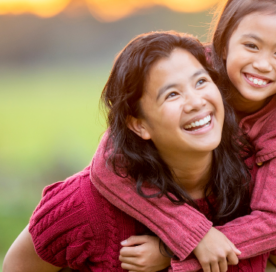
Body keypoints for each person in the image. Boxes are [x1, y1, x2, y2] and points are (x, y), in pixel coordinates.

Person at [86, 0, 276, 271]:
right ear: (224, 43)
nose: (262, 64)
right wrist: (193, 233)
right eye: (251, 46)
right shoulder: (188, 71)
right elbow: (108, 163)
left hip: (259, 236)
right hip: (196, 212)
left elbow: (272, 223)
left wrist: (175, 251)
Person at [2, 31, 255, 271]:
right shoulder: (87, 204)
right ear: (139, 124)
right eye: (172, 94)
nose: (196, 102)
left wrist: (170, 253)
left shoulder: (254, 180)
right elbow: (16, 266)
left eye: (201, 81)